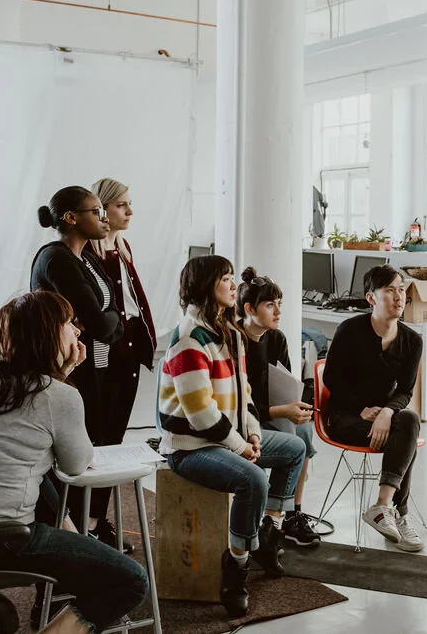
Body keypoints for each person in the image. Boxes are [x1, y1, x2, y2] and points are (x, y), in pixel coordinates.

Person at [0, 292, 148, 634]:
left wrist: (59, 378)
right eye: (69, 324)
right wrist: (64, 380)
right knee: (131, 580)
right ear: (49, 334)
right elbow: (76, 465)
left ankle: (79, 556)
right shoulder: (58, 396)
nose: (77, 332)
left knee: (42, 486)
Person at [159, 255, 306, 617]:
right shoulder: (189, 339)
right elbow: (200, 413)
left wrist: (252, 433)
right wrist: (241, 447)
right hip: (189, 447)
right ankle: (236, 565)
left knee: (295, 448)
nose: (232, 285)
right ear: (207, 286)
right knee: (253, 479)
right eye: (225, 278)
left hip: (226, 438)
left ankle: (268, 533)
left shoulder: (229, 334)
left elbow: (246, 395)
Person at [30, 186, 129, 552]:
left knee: (97, 448)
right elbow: (102, 324)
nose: (104, 219)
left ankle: (87, 528)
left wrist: (108, 321)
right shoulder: (56, 259)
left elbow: (110, 311)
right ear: (71, 218)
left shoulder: (86, 258)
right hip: (69, 371)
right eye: (96, 212)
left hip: (95, 367)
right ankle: (69, 536)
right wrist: (110, 322)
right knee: (74, 457)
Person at [322, 264, 425, 552]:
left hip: (384, 419)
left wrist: (386, 412)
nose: (398, 297)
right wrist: (361, 408)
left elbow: (405, 391)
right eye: (390, 290)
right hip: (346, 417)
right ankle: (400, 514)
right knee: (405, 440)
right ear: (371, 298)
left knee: (409, 419)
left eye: (401, 289)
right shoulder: (349, 330)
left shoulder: (412, 341)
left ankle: (382, 506)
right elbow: (331, 378)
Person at [236, 266, 321, 547]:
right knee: (295, 436)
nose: (278, 311)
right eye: (270, 305)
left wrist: (295, 403)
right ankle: (275, 518)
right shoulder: (235, 341)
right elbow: (238, 404)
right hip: (245, 419)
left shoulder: (276, 338)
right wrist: (283, 411)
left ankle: (290, 514)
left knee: (305, 431)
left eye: (279, 304)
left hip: (269, 411)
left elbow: (282, 386)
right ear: (249, 308)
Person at [86, 177, 157, 481]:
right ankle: (88, 516)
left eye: (129, 204)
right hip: (105, 354)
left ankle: (97, 517)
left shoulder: (121, 245)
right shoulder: (91, 252)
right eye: (121, 205)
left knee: (115, 436)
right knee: (98, 437)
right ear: (102, 208)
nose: (129, 211)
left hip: (128, 350)